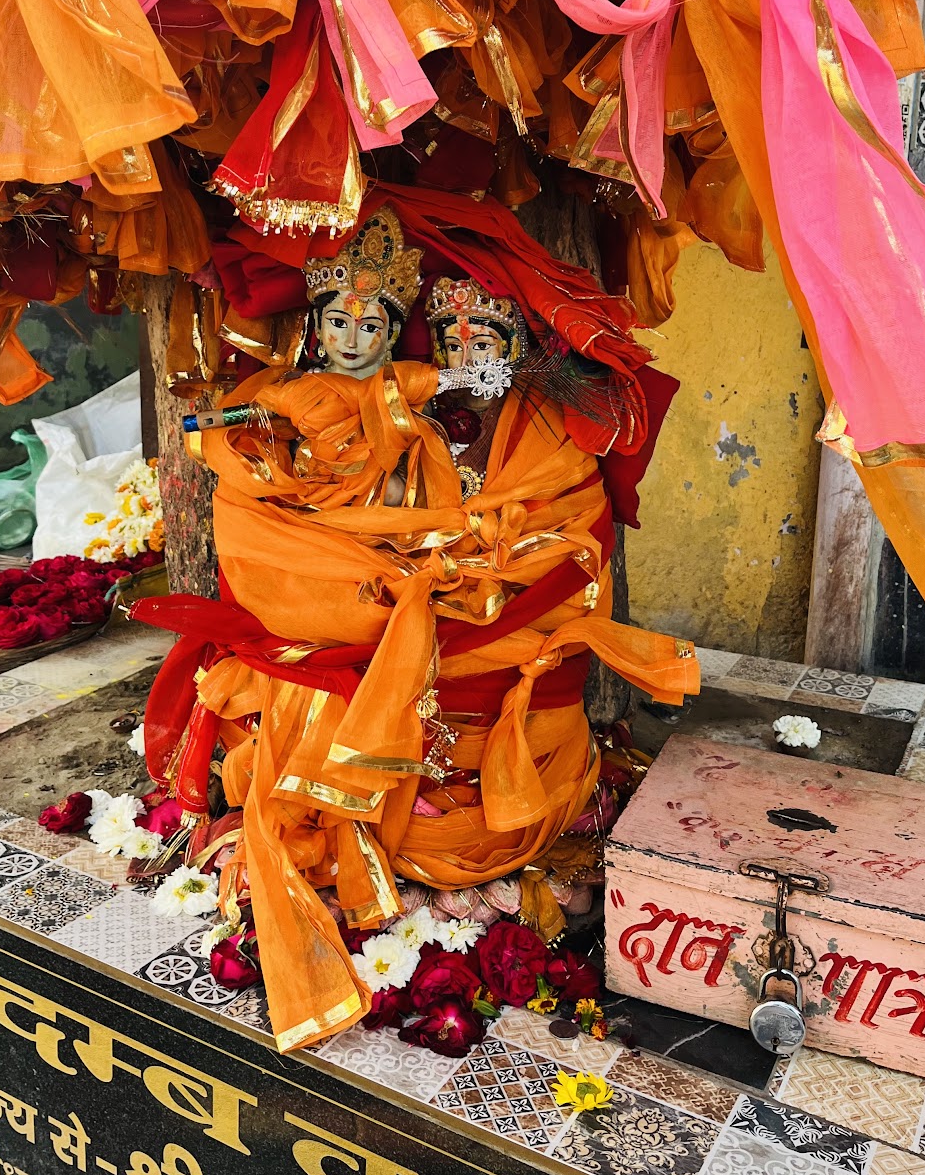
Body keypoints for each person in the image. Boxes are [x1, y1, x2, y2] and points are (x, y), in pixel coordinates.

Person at [139, 204, 697, 1050]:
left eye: (486, 335)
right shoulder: (361, 407)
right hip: (371, 603)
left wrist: (452, 563)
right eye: (451, 335)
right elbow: (287, 524)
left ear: (516, 347)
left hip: (477, 626)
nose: (467, 350)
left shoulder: (540, 433)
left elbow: (563, 531)